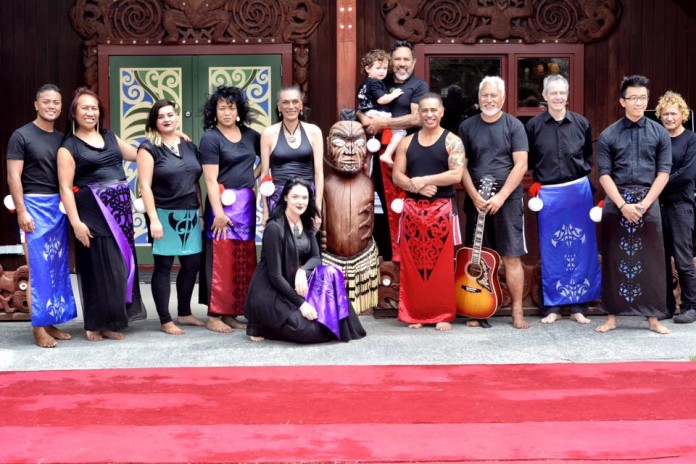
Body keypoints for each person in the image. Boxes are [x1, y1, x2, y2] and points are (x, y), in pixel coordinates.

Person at [57, 87, 146, 341]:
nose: (90, 112)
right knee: (98, 268)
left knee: (119, 267)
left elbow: (139, 154)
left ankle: (111, 322)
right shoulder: (69, 147)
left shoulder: (110, 137)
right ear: (74, 112)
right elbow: (65, 187)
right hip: (92, 213)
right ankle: (94, 325)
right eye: (84, 107)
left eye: (94, 107)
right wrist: (75, 223)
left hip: (120, 213)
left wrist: (167, 137)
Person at [244, 178, 366, 344]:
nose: (300, 202)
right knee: (308, 332)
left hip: (295, 285)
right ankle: (261, 325)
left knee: (330, 274)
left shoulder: (306, 223)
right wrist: (302, 304)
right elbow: (275, 276)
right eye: (295, 197)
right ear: (286, 197)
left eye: (304, 197)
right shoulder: (275, 228)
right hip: (271, 293)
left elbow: (317, 258)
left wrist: (302, 271)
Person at [595, 75, 672, 334]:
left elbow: (664, 172)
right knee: (614, 259)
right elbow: (604, 173)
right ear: (622, 101)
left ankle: (653, 318)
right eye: (633, 98)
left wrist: (645, 204)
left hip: (649, 201)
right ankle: (611, 316)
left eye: (643, 98)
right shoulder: (609, 134)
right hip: (617, 200)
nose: (639, 102)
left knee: (652, 260)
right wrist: (622, 205)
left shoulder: (659, 132)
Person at [6, 84, 77, 348]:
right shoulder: (21, 135)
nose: (51, 106)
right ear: (36, 104)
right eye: (46, 102)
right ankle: (38, 328)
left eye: (56, 102)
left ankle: (49, 321)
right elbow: (13, 176)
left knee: (57, 268)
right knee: (37, 269)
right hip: (32, 207)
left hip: (56, 208)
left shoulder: (62, 138)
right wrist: (21, 210)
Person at [525, 74, 601, 324]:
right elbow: (531, 159)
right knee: (552, 248)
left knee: (582, 247)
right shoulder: (533, 126)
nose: (558, 97)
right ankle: (553, 307)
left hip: (578, 191)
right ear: (544, 96)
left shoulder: (581, 123)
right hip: (549, 194)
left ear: (567, 95)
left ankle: (580, 305)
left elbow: (588, 157)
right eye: (553, 93)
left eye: (562, 93)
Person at [458, 76, 530, 329]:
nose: (489, 100)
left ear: (503, 98)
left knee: (511, 256)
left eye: (493, 96)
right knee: (477, 256)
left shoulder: (514, 126)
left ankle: (517, 312)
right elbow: (461, 166)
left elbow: (521, 164)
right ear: (479, 98)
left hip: (507, 201)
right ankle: (477, 309)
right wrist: (474, 195)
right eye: (484, 95)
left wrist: (501, 196)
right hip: (476, 201)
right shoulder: (467, 127)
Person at [392, 93, 465, 330]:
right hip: (412, 210)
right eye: (425, 110)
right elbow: (397, 176)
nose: (430, 114)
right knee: (414, 266)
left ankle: (441, 313)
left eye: (434, 110)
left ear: (442, 112)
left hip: (442, 210)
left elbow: (456, 175)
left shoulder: (452, 141)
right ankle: (415, 313)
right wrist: (415, 185)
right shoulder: (406, 142)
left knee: (441, 266)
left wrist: (423, 180)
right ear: (418, 113)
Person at [136, 99, 204, 335]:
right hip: (163, 213)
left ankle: (184, 313)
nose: (167, 119)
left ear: (177, 117)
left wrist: (201, 213)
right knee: (164, 266)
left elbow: (195, 181)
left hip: (191, 213)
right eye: (161, 116)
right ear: (154, 122)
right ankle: (165, 319)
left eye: (170, 115)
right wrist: (153, 218)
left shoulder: (188, 145)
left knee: (192, 263)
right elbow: (144, 185)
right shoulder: (148, 148)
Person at [358, 40, 429, 262]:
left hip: (408, 154)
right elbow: (360, 110)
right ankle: (384, 257)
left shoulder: (419, 86)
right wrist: (367, 120)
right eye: (397, 59)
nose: (401, 63)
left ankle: (409, 255)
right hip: (378, 153)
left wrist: (384, 124)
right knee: (378, 201)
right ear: (391, 62)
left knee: (408, 201)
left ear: (414, 62)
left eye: (406, 59)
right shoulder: (379, 81)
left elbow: (417, 118)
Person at [198, 85, 261, 333]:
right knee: (220, 259)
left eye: (231, 107)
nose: (227, 112)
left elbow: (265, 159)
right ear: (214, 111)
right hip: (221, 204)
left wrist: (251, 177)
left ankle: (232, 311)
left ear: (239, 110)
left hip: (245, 204)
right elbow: (211, 180)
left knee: (243, 257)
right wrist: (219, 213)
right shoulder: (211, 138)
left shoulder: (250, 135)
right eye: (221, 107)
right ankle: (214, 314)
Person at [656, 91, 696, 324]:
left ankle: (691, 305)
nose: (669, 117)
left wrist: (659, 183)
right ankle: (667, 306)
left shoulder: (691, 139)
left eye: (674, 113)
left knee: (682, 259)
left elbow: (688, 174)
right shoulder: (659, 139)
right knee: (660, 259)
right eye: (665, 113)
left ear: (683, 114)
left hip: (681, 206)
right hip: (657, 207)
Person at [259, 84, 324, 224]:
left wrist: (318, 208)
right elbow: (264, 175)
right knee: (279, 242)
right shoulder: (268, 134)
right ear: (279, 106)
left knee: (307, 243)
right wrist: (265, 211)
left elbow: (319, 174)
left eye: (295, 102)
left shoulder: (314, 132)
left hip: (306, 198)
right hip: (279, 198)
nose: (291, 106)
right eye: (285, 102)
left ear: (301, 105)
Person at [356, 49, 405, 167]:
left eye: (384, 68)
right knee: (401, 131)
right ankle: (387, 154)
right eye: (378, 68)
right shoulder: (375, 83)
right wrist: (394, 94)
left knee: (371, 138)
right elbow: (381, 99)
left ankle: (366, 160)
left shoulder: (364, 84)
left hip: (368, 113)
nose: (382, 71)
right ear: (368, 69)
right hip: (378, 113)